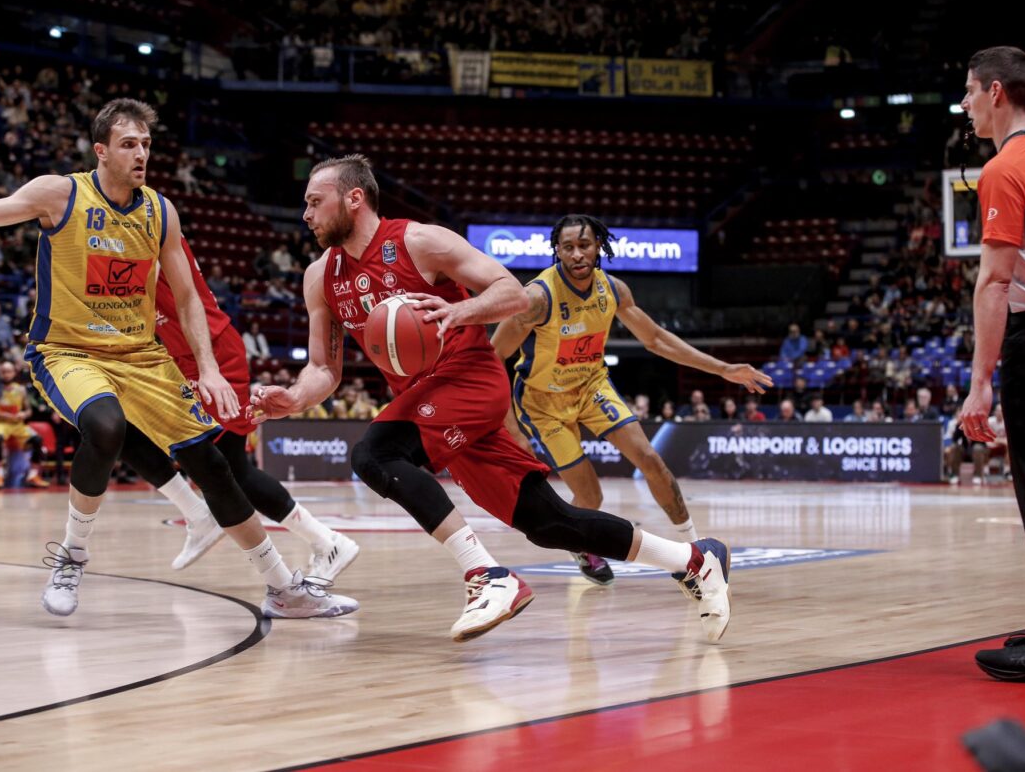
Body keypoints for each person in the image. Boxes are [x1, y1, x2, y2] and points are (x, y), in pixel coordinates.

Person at [0, 98, 356, 621]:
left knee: (214, 466)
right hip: (67, 350)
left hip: (141, 355)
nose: (141, 155)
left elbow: (187, 299)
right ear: (101, 151)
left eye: (146, 145)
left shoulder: (160, 211)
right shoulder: (60, 194)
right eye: (129, 144)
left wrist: (207, 369)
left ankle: (283, 588)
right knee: (106, 425)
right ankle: (72, 556)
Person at [252, 155, 733, 643]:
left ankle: (487, 576)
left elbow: (513, 294)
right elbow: (324, 369)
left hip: (470, 379)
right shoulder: (320, 276)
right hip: (428, 401)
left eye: (315, 202)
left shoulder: (420, 242)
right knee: (549, 523)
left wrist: (459, 311)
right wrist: (293, 398)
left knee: (375, 455)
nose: (306, 214)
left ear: (354, 198)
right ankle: (695, 559)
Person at [491, 214, 770, 585]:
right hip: (544, 402)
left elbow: (656, 339)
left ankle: (696, 552)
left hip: (592, 386)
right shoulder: (537, 299)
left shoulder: (614, 290)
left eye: (584, 245)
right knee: (590, 496)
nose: (577, 254)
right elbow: (492, 357)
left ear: (598, 247)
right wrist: (510, 428)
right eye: (568, 247)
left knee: (650, 458)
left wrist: (722, 368)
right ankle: (580, 545)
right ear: (556, 250)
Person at [118, 236, 358, 578]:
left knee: (228, 468)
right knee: (125, 428)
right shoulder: (131, 225)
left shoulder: (144, 225)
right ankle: (318, 541)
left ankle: (324, 542)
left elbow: (131, 282)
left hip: (210, 353)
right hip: (186, 354)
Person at [958, 46, 1025, 682]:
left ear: (996, 92)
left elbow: (995, 282)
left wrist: (979, 384)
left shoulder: (1006, 166)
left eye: (970, 91)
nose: (965, 103)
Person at [0, 360, 48, 488]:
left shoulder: (21, 389)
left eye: (9, 371)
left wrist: (24, 414)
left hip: (18, 425)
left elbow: (29, 410)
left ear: (14, 373)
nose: (6, 374)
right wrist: (3, 415)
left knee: (37, 440)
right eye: (3, 372)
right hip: (1, 423)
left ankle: (33, 475)